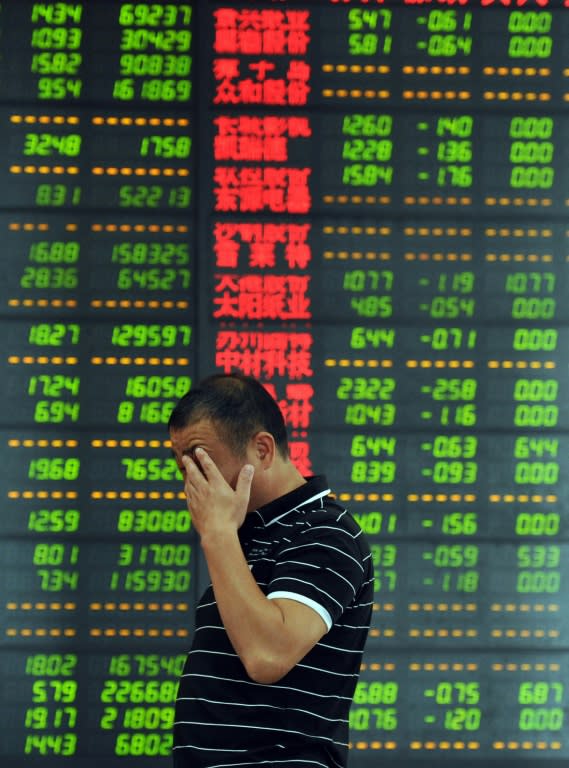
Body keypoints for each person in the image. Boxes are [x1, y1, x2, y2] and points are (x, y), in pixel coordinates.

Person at [168, 372, 374, 768]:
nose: (192, 483)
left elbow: (267, 654)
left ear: (262, 450)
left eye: (201, 462)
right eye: (183, 468)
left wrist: (217, 534)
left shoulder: (326, 532)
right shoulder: (244, 536)